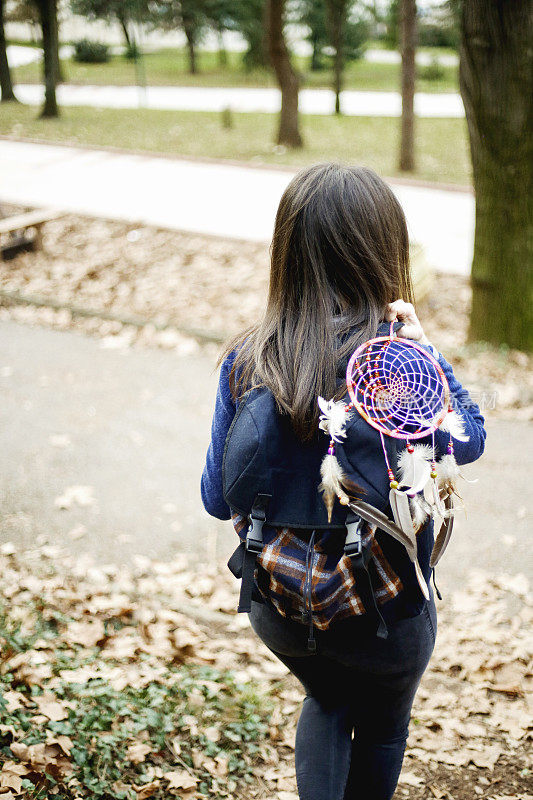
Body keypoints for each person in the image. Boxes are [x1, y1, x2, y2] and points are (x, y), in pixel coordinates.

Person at [201, 163, 486, 800]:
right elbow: (469, 439)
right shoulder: (397, 363)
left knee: (326, 701)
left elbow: (218, 498)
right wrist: (429, 353)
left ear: (287, 252)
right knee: (383, 726)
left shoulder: (249, 360)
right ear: (386, 250)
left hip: (282, 600)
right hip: (386, 610)